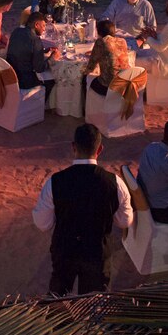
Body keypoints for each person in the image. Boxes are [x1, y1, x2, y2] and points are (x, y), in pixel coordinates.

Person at [33, 123, 133, 296]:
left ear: (73, 147)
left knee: (58, 301)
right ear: (100, 149)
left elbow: (42, 223)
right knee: (93, 303)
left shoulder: (55, 181)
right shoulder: (115, 183)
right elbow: (124, 221)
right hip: (97, 253)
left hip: (65, 250)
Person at [6, 11, 59, 101]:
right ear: (36, 25)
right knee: (53, 80)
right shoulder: (35, 40)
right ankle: (38, 106)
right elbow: (39, 68)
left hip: (10, 75)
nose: (44, 29)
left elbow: (25, 50)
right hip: (24, 81)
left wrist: (43, 50)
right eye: (43, 26)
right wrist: (53, 58)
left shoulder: (16, 31)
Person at [82, 19, 130, 96]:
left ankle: (84, 106)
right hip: (124, 83)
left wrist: (82, 73)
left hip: (109, 87)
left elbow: (91, 66)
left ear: (99, 32)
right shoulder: (122, 41)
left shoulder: (101, 42)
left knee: (84, 78)